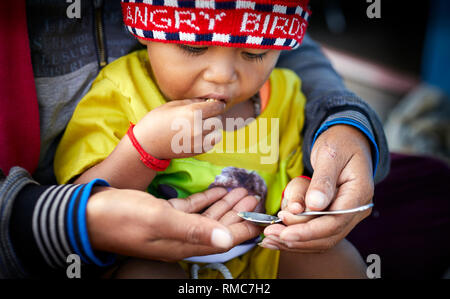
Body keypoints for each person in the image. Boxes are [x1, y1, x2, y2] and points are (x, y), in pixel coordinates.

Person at [0, 0, 389, 278]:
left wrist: (304, 202)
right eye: (192, 44)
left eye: (254, 50)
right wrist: (144, 150)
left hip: (261, 253)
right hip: (149, 257)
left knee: (339, 262)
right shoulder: (121, 88)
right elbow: (83, 194)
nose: (222, 74)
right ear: (143, 34)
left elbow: (293, 174)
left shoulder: (285, 91)